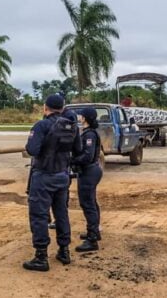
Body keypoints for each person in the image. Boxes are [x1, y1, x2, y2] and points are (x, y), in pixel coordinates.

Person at [23, 94, 82, 271]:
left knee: (39, 215)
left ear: (45, 107)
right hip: (62, 175)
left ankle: (41, 257)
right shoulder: (72, 127)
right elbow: (78, 150)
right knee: (61, 213)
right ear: (63, 108)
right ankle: (64, 250)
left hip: (43, 176)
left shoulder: (42, 125)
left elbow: (32, 149)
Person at [72, 107, 103, 252]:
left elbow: (87, 156)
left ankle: (92, 239)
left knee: (87, 204)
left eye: (81, 116)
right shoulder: (88, 133)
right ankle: (94, 232)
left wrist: (72, 160)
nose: (79, 118)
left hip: (89, 171)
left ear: (85, 118)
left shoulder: (89, 135)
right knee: (91, 202)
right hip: (92, 170)